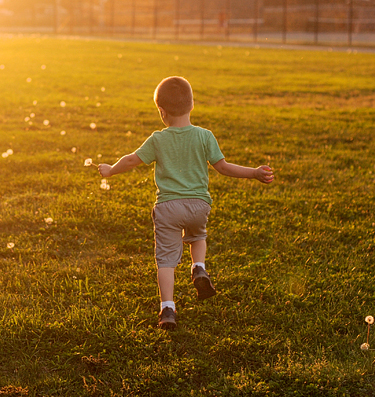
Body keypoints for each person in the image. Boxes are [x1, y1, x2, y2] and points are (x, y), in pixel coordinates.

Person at [97, 76, 274, 330]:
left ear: (161, 111)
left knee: (166, 260)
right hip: (198, 206)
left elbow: (131, 160)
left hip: (168, 208)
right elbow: (223, 167)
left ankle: (167, 308)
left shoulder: (157, 139)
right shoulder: (205, 136)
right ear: (192, 105)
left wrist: (110, 170)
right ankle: (199, 267)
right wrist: (255, 173)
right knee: (197, 235)